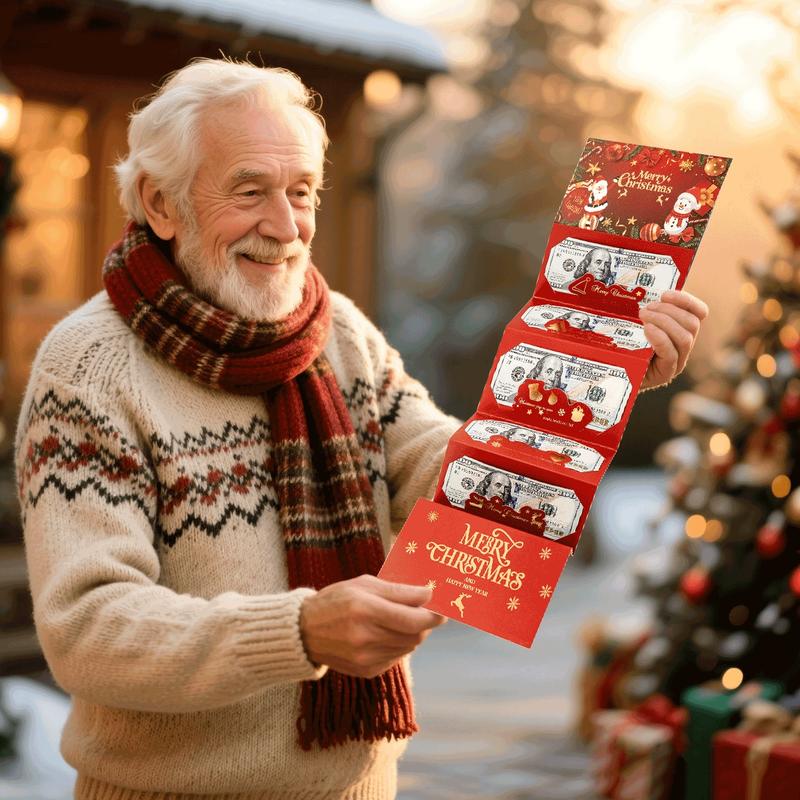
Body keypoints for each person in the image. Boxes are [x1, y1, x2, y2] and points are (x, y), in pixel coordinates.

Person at [15, 58, 710, 800]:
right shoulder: (90, 368)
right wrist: (302, 631)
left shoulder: (338, 332)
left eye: (302, 193)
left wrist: (595, 378)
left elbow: (450, 484)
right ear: (161, 201)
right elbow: (89, 629)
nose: (285, 228)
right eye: (250, 192)